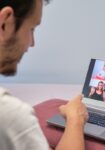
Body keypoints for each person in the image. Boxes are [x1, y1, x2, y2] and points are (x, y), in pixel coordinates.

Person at [0, 1, 88, 150]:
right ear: (4, 23)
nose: (31, 43)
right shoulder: (9, 114)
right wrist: (75, 120)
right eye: (31, 29)